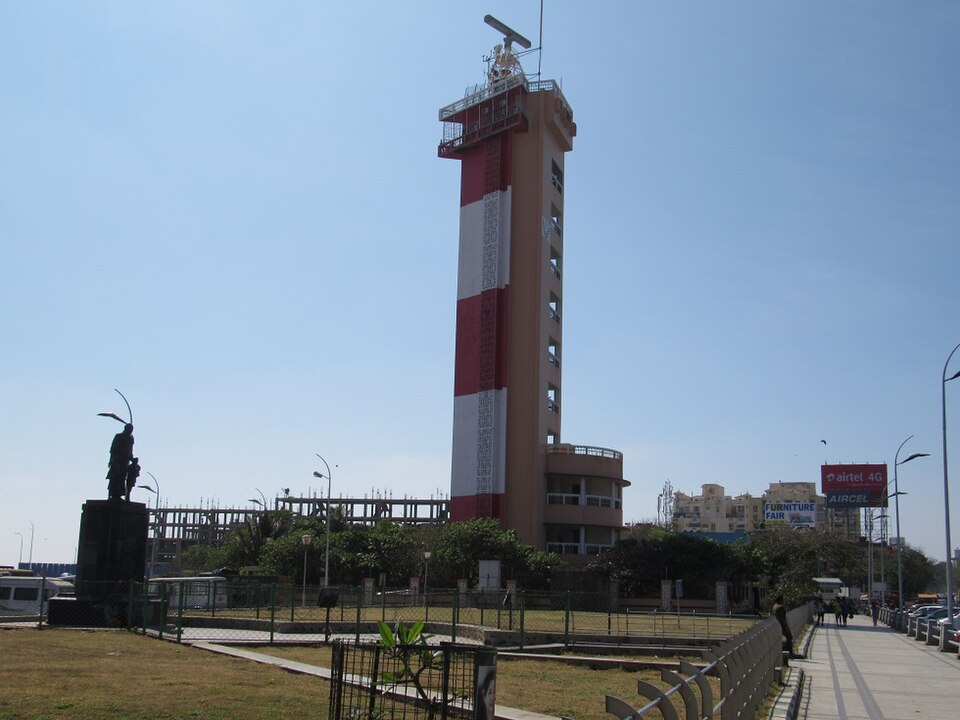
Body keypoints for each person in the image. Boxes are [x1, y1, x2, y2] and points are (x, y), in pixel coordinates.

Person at [107, 423, 134, 500]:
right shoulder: (118, 436)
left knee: (122, 477)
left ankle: (119, 495)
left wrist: (132, 459)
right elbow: (113, 450)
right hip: (117, 460)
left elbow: (130, 450)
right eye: (129, 430)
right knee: (115, 477)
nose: (130, 432)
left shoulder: (131, 438)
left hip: (125, 461)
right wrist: (111, 460)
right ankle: (113, 494)